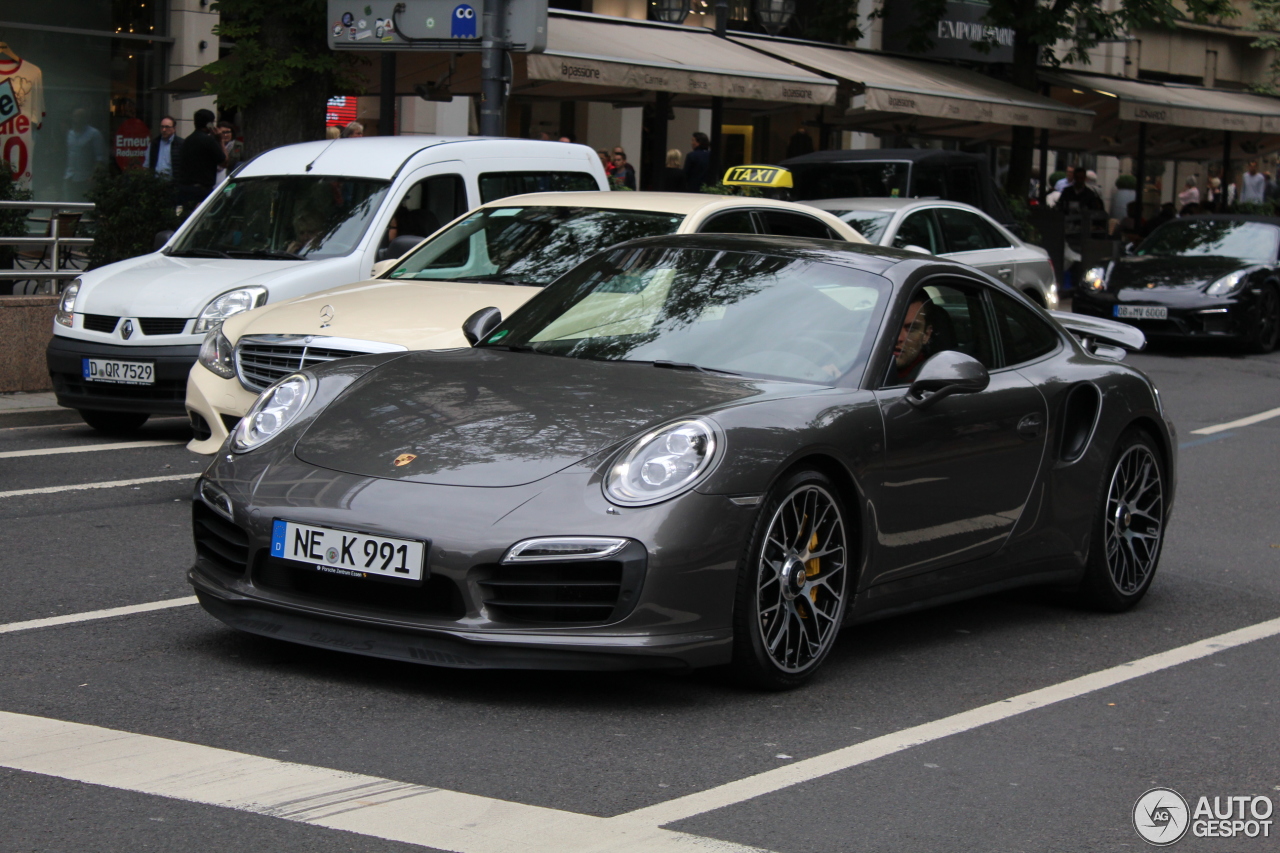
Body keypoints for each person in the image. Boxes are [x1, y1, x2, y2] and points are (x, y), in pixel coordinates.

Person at [173, 108, 227, 211]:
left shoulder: (187, 141)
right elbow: (224, 161)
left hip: (185, 189)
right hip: (202, 191)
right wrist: (221, 141)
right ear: (209, 124)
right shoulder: (209, 141)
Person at [63, 108, 107, 201]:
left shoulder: (94, 134)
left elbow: (100, 158)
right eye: (74, 117)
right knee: (70, 205)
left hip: (86, 178)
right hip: (70, 177)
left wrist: (94, 177)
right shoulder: (70, 134)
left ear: (85, 119)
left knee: (84, 205)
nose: (75, 120)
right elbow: (67, 154)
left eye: (79, 117)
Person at [891, 297, 935, 385]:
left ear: (926, 335)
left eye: (911, 329)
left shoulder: (931, 381)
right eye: (892, 326)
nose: (899, 338)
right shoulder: (859, 368)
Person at [142, 115, 183, 180]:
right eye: (162, 127)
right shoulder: (154, 144)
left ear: (174, 129)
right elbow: (146, 165)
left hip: (174, 184)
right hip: (156, 183)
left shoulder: (181, 144)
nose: (164, 130)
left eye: (167, 127)